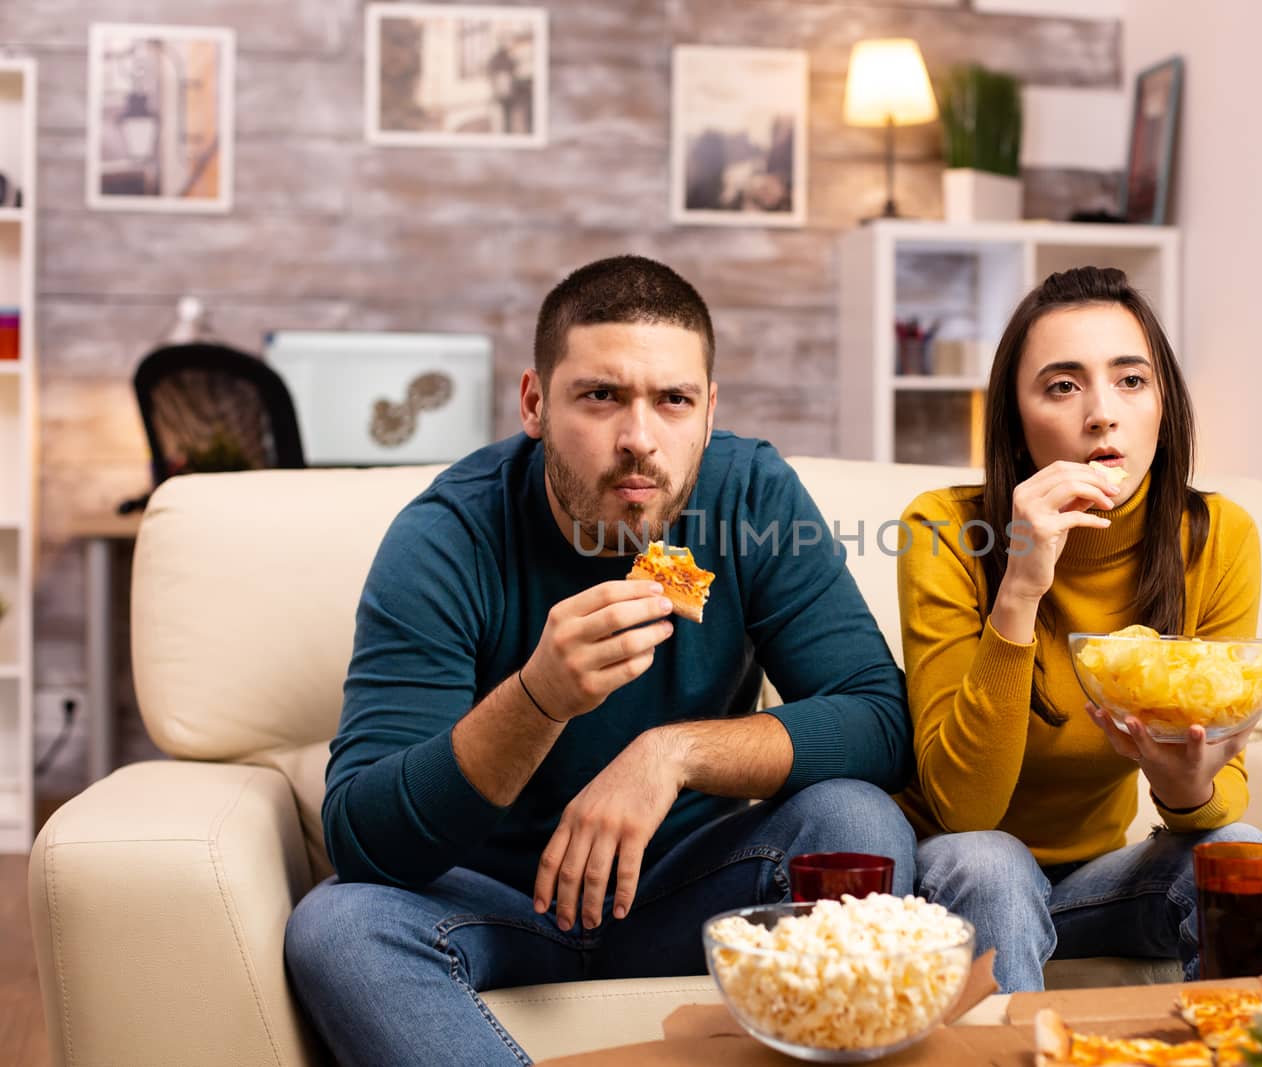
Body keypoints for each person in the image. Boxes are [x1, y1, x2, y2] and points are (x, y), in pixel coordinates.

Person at [285, 255, 916, 1065]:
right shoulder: (448, 536)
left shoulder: (750, 498)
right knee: (337, 927)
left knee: (857, 822)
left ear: (709, 410)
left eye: (673, 401)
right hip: (497, 908)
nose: (639, 441)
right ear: (535, 403)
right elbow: (362, 838)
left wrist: (671, 755)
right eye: (601, 396)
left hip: (692, 893)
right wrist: (539, 697)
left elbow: (880, 716)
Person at [895, 266, 1262, 993]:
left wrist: (1188, 789)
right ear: (1015, 418)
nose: (1103, 412)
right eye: (1063, 386)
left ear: (1164, 404)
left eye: (1131, 380)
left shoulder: (1219, 536)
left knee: (1242, 853)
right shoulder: (941, 527)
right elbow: (962, 808)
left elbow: (1224, 795)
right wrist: (1022, 583)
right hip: (957, 870)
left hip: (1100, 882)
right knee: (991, 860)